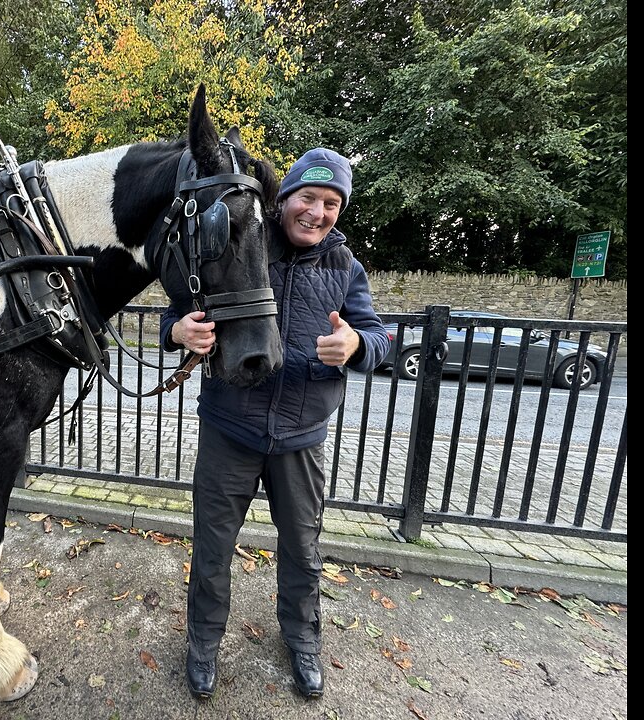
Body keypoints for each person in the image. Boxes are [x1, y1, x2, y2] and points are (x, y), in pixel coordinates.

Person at [162, 148, 390, 699]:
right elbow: (179, 303)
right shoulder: (245, 241)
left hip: (301, 438)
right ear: (283, 199)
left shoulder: (345, 267)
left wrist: (357, 343)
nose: (317, 212)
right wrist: (179, 333)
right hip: (229, 428)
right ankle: (203, 644)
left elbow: (379, 340)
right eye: (307, 198)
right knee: (213, 548)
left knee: (303, 550)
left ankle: (304, 642)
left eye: (330, 203)